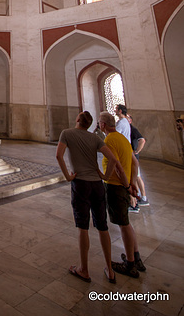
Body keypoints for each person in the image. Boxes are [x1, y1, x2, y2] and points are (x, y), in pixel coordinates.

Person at [56, 111, 119, 283]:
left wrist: (68, 177)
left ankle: (84, 269)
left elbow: (58, 155)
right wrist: (105, 176)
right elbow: (112, 159)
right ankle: (110, 270)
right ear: (89, 124)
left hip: (81, 184)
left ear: (77, 120)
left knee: (82, 226)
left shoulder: (67, 133)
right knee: (102, 226)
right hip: (97, 185)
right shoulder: (95, 138)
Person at [99, 111, 146, 278]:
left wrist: (127, 186)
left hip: (116, 187)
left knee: (123, 224)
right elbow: (134, 163)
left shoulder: (110, 139)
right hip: (124, 186)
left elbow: (116, 165)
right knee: (126, 222)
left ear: (103, 125)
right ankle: (136, 256)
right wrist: (133, 183)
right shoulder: (122, 139)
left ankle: (130, 264)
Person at [127, 114, 149, 208]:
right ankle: (142, 198)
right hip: (133, 157)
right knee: (137, 177)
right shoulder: (128, 129)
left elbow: (142, 140)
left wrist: (136, 151)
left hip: (133, 157)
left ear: (130, 120)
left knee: (135, 178)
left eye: (126, 118)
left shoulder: (132, 129)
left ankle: (135, 202)